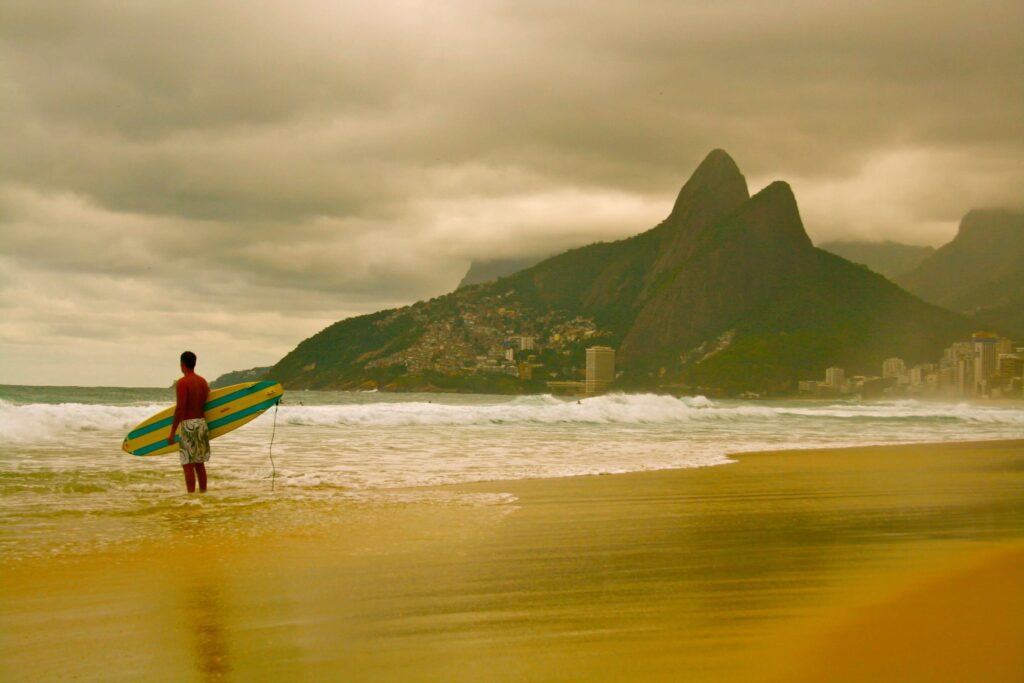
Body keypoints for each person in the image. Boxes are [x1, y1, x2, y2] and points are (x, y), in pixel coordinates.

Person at [169, 350, 211, 493]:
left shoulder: (182, 383)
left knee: (187, 464)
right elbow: (207, 402)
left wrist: (172, 432)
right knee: (200, 464)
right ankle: (203, 494)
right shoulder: (203, 381)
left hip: (188, 426)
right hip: (201, 424)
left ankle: (191, 498)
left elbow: (180, 408)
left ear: (183, 364)